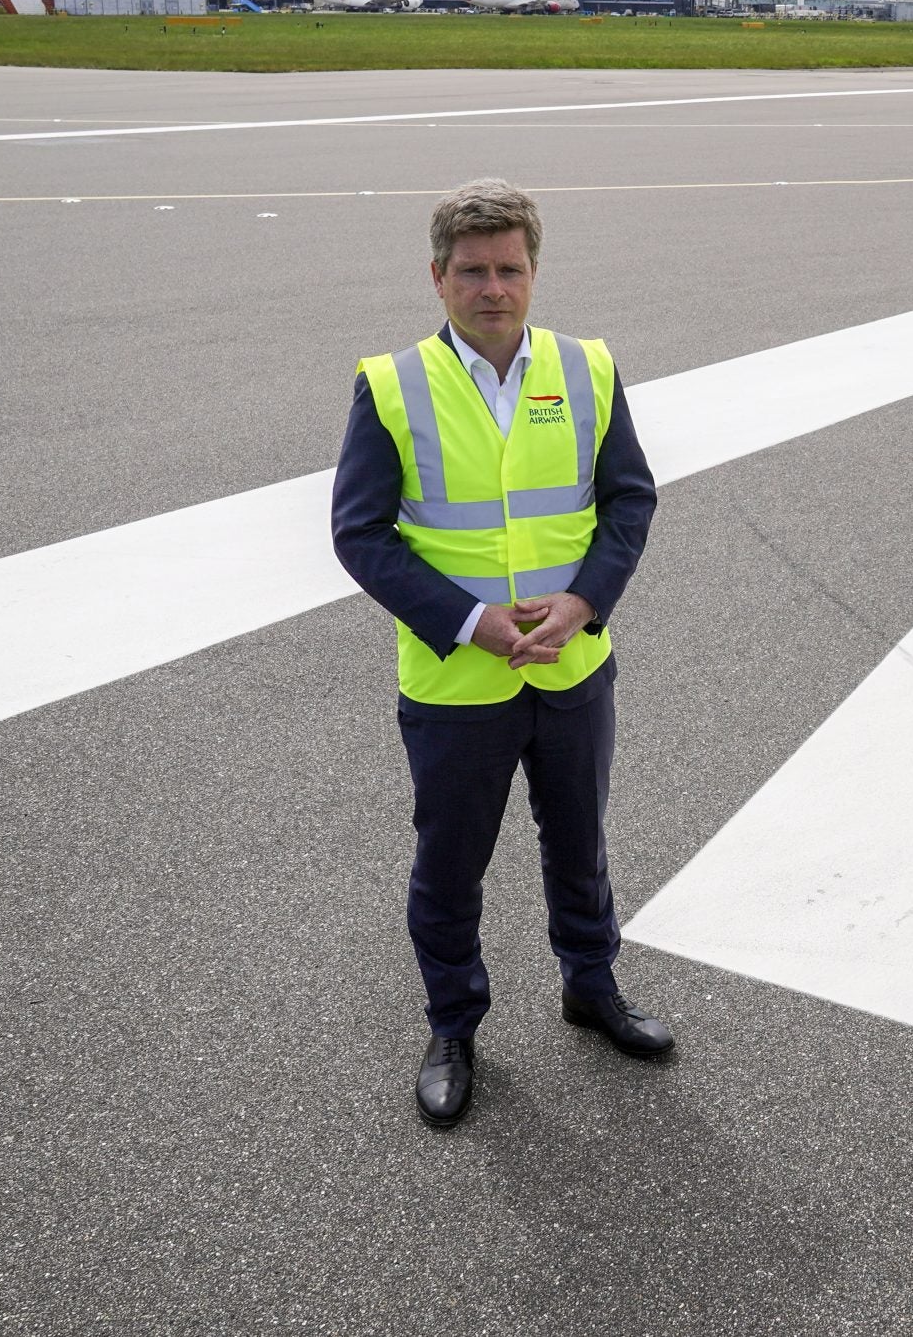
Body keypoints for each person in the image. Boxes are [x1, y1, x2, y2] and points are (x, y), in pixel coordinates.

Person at [331, 178, 671, 1130]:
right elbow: (360, 535)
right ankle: (452, 1024)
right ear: (437, 277)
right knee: (450, 865)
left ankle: (591, 984)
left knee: (580, 842)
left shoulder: (587, 367)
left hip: (572, 668)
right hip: (456, 681)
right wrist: (469, 621)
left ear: (533, 271)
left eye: (510, 269)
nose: (493, 288)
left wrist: (585, 601)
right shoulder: (393, 385)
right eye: (473, 271)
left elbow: (630, 499)